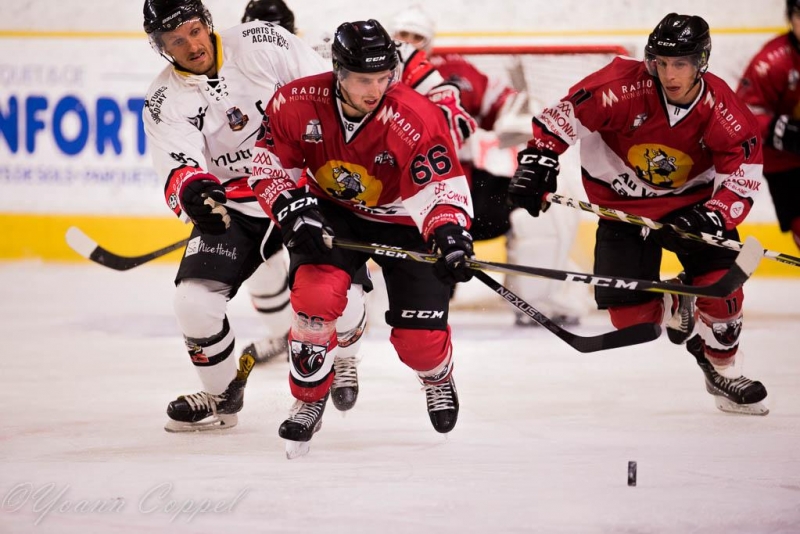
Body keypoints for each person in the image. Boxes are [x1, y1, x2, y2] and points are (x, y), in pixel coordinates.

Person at [507, 13, 769, 415]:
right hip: (621, 209)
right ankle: (675, 303)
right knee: (631, 321)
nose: (668, 74)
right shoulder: (619, 86)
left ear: (701, 62)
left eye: (680, 63)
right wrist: (539, 159)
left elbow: (744, 173)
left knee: (723, 294)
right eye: (660, 63)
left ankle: (725, 371)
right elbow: (562, 117)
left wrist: (714, 214)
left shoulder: (723, 110)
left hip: (691, 208)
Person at [248, 19, 474, 455]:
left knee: (419, 344)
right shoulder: (296, 102)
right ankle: (307, 400)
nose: (375, 89)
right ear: (338, 71)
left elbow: (441, 189)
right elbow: (268, 165)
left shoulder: (415, 116)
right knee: (315, 300)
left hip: (407, 220)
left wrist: (449, 233)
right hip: (334, 212)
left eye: (383, 77)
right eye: (363, 79)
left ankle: (436, 375)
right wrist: (290, 209)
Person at [141, 0, 363, 431]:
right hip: (237, 207)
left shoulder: (262, 41)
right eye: (175, 40)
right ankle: (223, 395)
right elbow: (178, 163)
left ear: (206, 23)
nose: (191, 44)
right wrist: (192, 190)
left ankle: (348, 357)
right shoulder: (163, 98)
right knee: (194, 303)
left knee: (346, 297)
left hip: (302, 188)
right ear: (162, 47)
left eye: (193, 30)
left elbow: (326, 97)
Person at [390, 4, 588, 326]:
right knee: (423, 307)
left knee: (539, 208)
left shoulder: (457, 73)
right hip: (401, 200)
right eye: (403, 35)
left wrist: (518, 117)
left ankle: (541, 301)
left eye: (417, 36)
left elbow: (507, 105)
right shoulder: (373, 81)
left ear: (430, 40)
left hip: (462, 191)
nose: (410, 42)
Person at [736, 0, 800, 253]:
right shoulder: (771, 62)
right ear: (790, 17)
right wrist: (782, 130)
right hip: (788, 165)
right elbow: (743, 115)